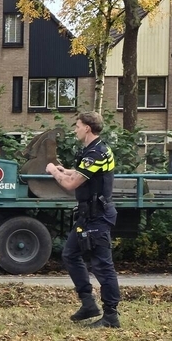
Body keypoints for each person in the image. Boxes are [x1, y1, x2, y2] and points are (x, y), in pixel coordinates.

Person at [45, 111, 120, 328]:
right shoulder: (90, 152)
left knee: (103, 266)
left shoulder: (97, 153)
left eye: (77, 125)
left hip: (98, 218)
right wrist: (65, 170)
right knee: (70, 254)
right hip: (87, 216)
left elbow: (71, 184)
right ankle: (88, 303)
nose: (75, 129)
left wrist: (53, 171)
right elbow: (81, 175)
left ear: (87, 128)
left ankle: (111, 316)